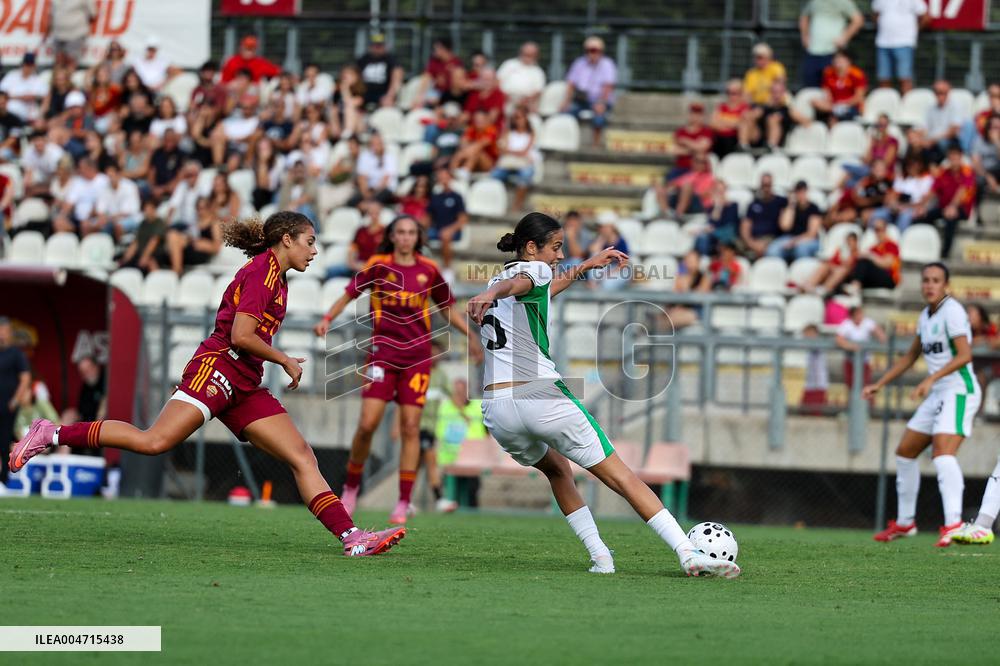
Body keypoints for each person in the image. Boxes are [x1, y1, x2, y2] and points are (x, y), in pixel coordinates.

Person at [12, 212, 406, 556]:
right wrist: (283, 358)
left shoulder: (277, 277)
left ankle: (353, 537)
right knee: (155, 442)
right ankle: (52, 431)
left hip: (245, 382)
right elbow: (240, 335)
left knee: (302, 455)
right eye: (310, 241)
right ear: (287, 239)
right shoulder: (261, 273)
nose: (315, 251)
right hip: (218, 369)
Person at [465, 212, 739, 578]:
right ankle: (688, 552)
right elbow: (523, 282)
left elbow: (533, 285)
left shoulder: (505, 275)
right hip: (540, 395)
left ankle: (601, 557)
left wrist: (588, 265)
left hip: (498, 410)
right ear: (532, 248)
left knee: (557, 469)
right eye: (556, 247)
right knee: (622, 476)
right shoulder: (522, 276)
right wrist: (492, 292)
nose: (561, 255)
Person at [313, 216, 484, 525]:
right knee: (367, 424)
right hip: (382, 355)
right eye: (400, 232)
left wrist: (470, 336)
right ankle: (350, 488)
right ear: (392, 236)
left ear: (417, 238)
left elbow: (446, 308)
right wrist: (327, 318)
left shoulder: (428, 269)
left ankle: (403, 501)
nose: (405, 237)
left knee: (410, 427)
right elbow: (350, 293)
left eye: (410, 233)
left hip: (417, 358)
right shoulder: (378, 265)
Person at [866, 263, 981, 547]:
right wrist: (880, 383)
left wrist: (932, 379)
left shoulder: (952, 311)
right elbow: (909, 357)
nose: (930, 285)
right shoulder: (925, 316)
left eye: (936, 280)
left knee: (942, 454)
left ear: (946, 285)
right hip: (938, 391)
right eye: (926, 280)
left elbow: (965, 355)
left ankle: (954, 524)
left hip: (959, 389)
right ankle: (906, 522)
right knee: (905, 452)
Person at [915, 144, 975, 258]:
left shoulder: (967, 172)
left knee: (950, 219)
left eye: (956, 157)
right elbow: (932, 191)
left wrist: (953, 206)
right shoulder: (944, 172)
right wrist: (921, 206)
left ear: (961, 157)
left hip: (961, 209)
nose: (953, 160)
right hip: (944, 208)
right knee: (922, 217)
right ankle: (927, 245)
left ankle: (945, 253)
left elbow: (962, 191)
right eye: (951, 157)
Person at [561, 36, 617, 145]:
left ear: (601, 51)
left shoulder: (607, 64)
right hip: (581, 100)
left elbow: (608, 87)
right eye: (588, 50)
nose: (591, 53)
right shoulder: (579, 63)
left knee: (599, 117)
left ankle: (595, 145)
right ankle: (569, 142)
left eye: (594, 50)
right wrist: (566, 101)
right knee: (566, 114)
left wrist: (601, 102)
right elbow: (571, 84)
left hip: (600, 101)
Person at [799, 0, 864, 88]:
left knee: (831, 88)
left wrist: (844, 37)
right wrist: (804, 36)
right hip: (813, 51)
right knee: (810, 87)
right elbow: (804, 17)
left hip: (832, 52)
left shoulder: (844, 2)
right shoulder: (814, 2)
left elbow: (858, 20)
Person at [873, 0, 929, 93]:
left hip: (904, 42)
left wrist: (915, 31)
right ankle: (886, 104)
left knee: (905, 77)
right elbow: (876, 14)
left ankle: (907, 105)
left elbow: (926, 17)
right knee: (883, 78)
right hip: (883, 42)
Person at [0, 317, 31, 484]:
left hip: (7, 406)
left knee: (4, 442)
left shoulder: (16, 354)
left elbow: (25, 378)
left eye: (3, 331)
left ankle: (3, 480)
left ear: (9, 332)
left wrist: (15, 401)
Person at [490, 107, 539, 212]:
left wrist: (510, 151)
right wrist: (515, 152)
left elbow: (523, 151)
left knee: (525, 175)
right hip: (510, 163)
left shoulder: (531, 133)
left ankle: (517, 205)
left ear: (526, 118)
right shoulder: (508, 132)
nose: (518, 120)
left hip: (522, 163)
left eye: (519, 117)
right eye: (515, 118)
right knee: (494, 175)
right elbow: (502, 149)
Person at [739, 80, 809, 151]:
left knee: (772, 119)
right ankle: (743, 146)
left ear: (784, 93)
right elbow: (751, 116)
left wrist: (789, 106)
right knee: (747, 117)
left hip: (778, 142)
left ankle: (771, 145)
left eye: (778, 92)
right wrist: (765, 107)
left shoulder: (787, 110)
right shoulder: (764, 108)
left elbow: (806, 122)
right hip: (758, 138)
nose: (776, 95)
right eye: (773, 92)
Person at [869, 156, 933, 230]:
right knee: (876, 214)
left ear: (920, 165)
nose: (912, 167)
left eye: (915, 164)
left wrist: (905, 207)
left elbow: (923, 201)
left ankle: (899, 239)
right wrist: (894, 205)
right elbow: (891, 197)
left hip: (913, 209)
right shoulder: (901, 178)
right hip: (897, 207)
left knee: (904, 216)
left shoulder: (926, 179)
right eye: (909, 165)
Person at [907, 81, 964, 165]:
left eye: (943, 92)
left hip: (948, 141)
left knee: (941, 144)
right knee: (913, 142)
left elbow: (952, 132)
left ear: (948, 92)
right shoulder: (930, 108)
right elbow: (924, 128)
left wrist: (931, 141)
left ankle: (933, 166)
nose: (940, 95)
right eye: (937, 92)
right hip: (932, 141)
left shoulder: (955, 106)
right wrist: (914, 136)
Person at [836, 306, 887, 394]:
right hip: (850, 361)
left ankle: (867, 406)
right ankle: (852, 406)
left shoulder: (867, 322)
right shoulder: (846, 324)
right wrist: (851, 346)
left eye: (861, 313)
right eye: (858, 314)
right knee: (850, 387)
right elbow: (838, 339)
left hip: (864, 361)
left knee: (866, 385)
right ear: (852, 315)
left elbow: (880, 333)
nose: (860, 316)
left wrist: (880, 336)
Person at [767, 180, 822, 261]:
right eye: (798, 191)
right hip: (789, 238)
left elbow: (812, 234)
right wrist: (791, 205)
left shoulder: (814, 208)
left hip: (807, 239)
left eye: (803, 191)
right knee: (772, 251)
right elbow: (785, 226)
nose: (801, 194)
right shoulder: (789, 207)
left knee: (801, 250)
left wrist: (795, 242)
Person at [811, 50, 867, 125]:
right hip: (833, 106)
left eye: (841, 59)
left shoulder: (857, 74)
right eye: (836, 59)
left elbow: (859, 96)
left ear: (848, 61)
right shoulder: (828, 72)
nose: (838, 61)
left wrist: (844, 104)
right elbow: (826, 92)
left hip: (850, 105)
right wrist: (832, 105)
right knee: (815, 102)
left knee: (838, 116)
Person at [738, 173, 787, 258]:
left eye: (768, 185)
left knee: (764, 248)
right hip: (752, 239)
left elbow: (784, 225)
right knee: (730, 245)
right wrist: (750, 242)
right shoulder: (753, 203)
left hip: (770, 238)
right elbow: (745, 225)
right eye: (764, 185)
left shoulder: (781, 202)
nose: (766, 188)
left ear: (772, 185)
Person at [656, 153, 715, 218]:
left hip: (700, 204)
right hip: (684, 200)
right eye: (698, 161)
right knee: (660, 187)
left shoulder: (710, 177)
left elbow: (707, 193)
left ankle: (678, 215)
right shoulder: (689, 175)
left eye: (704, 162)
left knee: (687, 187)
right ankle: (666, 214)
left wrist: (691, 191)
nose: (701, 164)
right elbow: (673, 185)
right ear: (693, 161)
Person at [413, 37, 465, 108]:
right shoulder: (434, 61)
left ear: (444, 49)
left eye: (436, 49)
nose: (434, 51)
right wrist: (420, 96)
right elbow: (426, 77)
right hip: (436, 93)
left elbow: (457, 87)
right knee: (416, 84)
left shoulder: (456, 63)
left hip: (449, 96)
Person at [356, 32, 404, 110]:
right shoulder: (363, 59)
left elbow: (397, 76)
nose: (377, 47)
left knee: (387, 104)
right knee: (352, 104)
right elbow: (354, 75)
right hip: (364, 93)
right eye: (375, 45)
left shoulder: (390, 59)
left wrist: (390, 95)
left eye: (380, 45)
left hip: (383, 93)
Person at [118, 198, 166, 273]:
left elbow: (154, 241)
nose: (147, 211)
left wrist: (145, 257)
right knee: (125, 266)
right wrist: (125, 260)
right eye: (145, 209)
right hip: (140, 254)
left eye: (149, 208)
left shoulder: (159, 223)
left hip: (154, 255)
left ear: (154, 209)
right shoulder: (142, 224)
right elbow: (135, 243)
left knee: (150, 263)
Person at [96, 163, 142, 239]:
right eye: (108, 176)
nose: (110, 178)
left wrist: (108, 219)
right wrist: (102, 218)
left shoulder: (130, 186)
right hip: (110, 219)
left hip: (131, 218)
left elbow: (128, 212)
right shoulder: (104, 188)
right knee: (88, 225)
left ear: (118, 175)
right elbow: (100, 209)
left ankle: (119, 247)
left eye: (112, 176)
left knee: (118, 225)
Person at [46, 0, 97, 70]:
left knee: (71, 60)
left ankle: (68, 80)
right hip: (58, 34)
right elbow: (52, 14)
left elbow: (93, 14)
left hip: (75, 34)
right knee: (58, 59)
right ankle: (56, 80)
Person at [694, 180, 740, 256]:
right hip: (715, 236)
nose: (720, 194)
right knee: (701, 238)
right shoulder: (711, 208)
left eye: (722, 191)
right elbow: (712, 223)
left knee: (704, 237)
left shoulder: (733, 205)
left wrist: (711, 229)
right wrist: (718, 206)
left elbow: (729, 223)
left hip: (728, 234)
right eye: (717, 191)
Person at [496, 41, 546, 111]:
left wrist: (524, 101)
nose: (527, 57)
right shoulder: (509, 64)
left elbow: (538, 91)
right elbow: (497, 81)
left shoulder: (538, 72)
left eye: (530, 55)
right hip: (505, 100)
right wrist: (504, 96)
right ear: (520, 53)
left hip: (526, 104)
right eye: (525, 54)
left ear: (536, 56)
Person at [669, 103, 714, 180]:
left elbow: (703, 148)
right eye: (693, 113)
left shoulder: (706, 131)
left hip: (700, 169)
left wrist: (685, 141)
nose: (695, 117)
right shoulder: (680, 131)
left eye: (698, 114)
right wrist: (696, 147)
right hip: (681, 168)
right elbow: (675, 150)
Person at [450, 108, 500, 176]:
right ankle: (452, 173)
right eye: (476, 119)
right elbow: (463, 141)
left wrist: (465, 151)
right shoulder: (472, 129)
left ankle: (464, 173)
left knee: (476, 152)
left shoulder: (492, 130)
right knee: (460, 153)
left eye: (480, 119)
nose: (478, 121)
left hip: (489, 163)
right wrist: (463, 151)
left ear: (487, 119)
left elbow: (480, 145)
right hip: (470, 156)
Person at [0, 53, 47, 123]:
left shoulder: (38, 80)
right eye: (25, 64)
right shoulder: (12, 75)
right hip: (5, 110)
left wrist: (12, 96)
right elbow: (2, 93)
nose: (27, 67)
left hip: (24, 113)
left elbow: (42, 97)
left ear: (34, 66)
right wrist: (22, 97)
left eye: (29, 65)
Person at [710, 80, 750, 157]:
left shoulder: (744, 108)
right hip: (719, 141)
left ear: (740, 93)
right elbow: (713, 124)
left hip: (733, 142)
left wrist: (722, 121)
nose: (730, 96)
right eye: (728, 92)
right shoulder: (721, 107)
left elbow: (742, 124)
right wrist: (733, 124)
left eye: (734, 93)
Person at [278, 159, 319, 224]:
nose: (299, 174)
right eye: (296, 171)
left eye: (301, 171)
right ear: (293, 172)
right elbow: (282, 204)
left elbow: (309, 196)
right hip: (290, 217)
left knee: (306, 208)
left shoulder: (311, 182)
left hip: (310, 218)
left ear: (305, 172)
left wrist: (294, 204)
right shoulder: (287, 185)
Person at [801, 324, 830, 414]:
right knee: (804, 411)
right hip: (810, 384)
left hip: (818, 385)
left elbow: (815, 349)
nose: (805, 337)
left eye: (807, 334)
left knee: (816, 413)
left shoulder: (818, 344)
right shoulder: (811, 346)